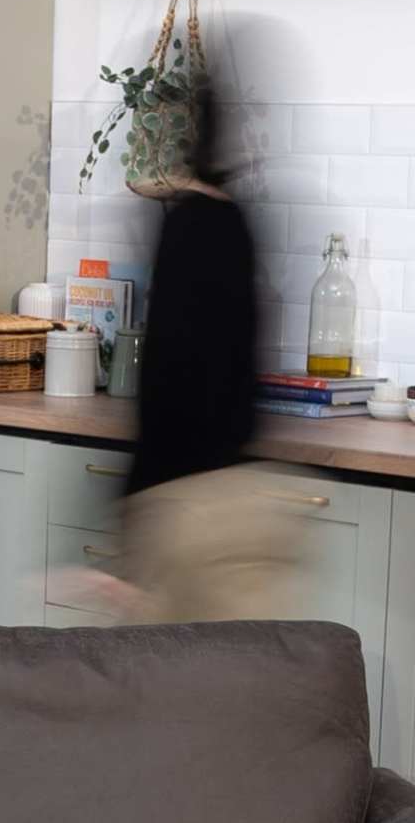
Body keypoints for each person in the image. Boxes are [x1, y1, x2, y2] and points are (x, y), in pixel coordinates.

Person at [118, 35, 309, 622]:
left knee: (159, 692)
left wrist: (130, 501)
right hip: (248, 499)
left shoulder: (186, 229)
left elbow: (167, 377)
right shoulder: (243, 224)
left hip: (183, 508)